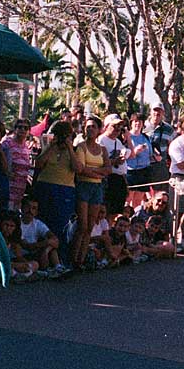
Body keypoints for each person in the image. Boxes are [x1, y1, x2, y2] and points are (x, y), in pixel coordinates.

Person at [32, 120, 79, 250]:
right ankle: (43, 255)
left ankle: (60, 256)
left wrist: (69, 147)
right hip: (45, 187)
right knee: (44, 222)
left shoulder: (74, 150)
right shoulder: (48, 147)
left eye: (67, 136)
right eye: (61, 136)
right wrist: (52, 146)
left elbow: (78, 168)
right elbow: (39, 163)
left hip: (64, 190)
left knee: (61, 224)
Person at [72, 115, 110, 269]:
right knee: (82, 225)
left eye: (94, 126)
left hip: (97, 188)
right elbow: (80, 169)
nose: (90, 129)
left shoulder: (103, 149)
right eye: (88, 126)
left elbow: (108, 168)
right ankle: (73, 259)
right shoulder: (81, 147)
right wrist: (97, 173)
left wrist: (95, 171)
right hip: (83, 186)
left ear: (99, 130)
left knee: (90, 226)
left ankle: (81, 260)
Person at [19, 198, 65, 276]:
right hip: (22, 256)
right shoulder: (17, 224)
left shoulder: (37, 223)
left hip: (35, 253)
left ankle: (58, 268)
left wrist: (46, 250)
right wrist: (46, 243)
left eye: (33, 208)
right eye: (28, 207)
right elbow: (27, 246)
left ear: (36, 212)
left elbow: (55, 240)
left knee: (52, 247)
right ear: (22, 208)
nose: (30, 210)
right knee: (48, 244)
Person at [97, 114, 130, 215]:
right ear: (106, 126)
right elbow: (98, 161)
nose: (117, 129)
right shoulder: (101, 140)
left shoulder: (118, 142)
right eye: (114, 126)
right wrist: (114, 161)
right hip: (108, 180)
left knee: (115, 212)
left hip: (119, 180)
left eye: (119, 127)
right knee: (106, 211)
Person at [1, 118, 33, 211]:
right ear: (15, 129)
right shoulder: (7, 143)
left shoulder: (26, 147)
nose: (22, 130)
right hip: (8, 189)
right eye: (20, 127)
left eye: (26, 128)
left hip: (20, 190)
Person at [0, 212, 38, 281]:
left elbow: (19, 257)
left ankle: (23, 275)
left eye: (12, 226)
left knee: (35, 264)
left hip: (13, 263)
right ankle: (22, 274)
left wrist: (26, 265)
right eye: (6, 225)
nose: (8, 228)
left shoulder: (15, 242)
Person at [125, 113, 153, 209]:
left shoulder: (146, 137)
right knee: (128, 200)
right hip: (130, 171)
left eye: (140, 121)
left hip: (143, 171)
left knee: (138, 200)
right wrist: (135, 151)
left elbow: (150, 154)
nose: (138, 124)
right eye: (135, 121)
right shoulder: (126, 137)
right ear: (131, 123)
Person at [144, 101, 173, 184]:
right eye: (155, 110)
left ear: (163, 113)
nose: (157, 113)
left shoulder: (169, 129)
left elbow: (172, 147)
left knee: (160, 193)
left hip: (161, 165)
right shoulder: (143, 126)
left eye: (159, 111)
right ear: (150, 112)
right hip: (144, 165)